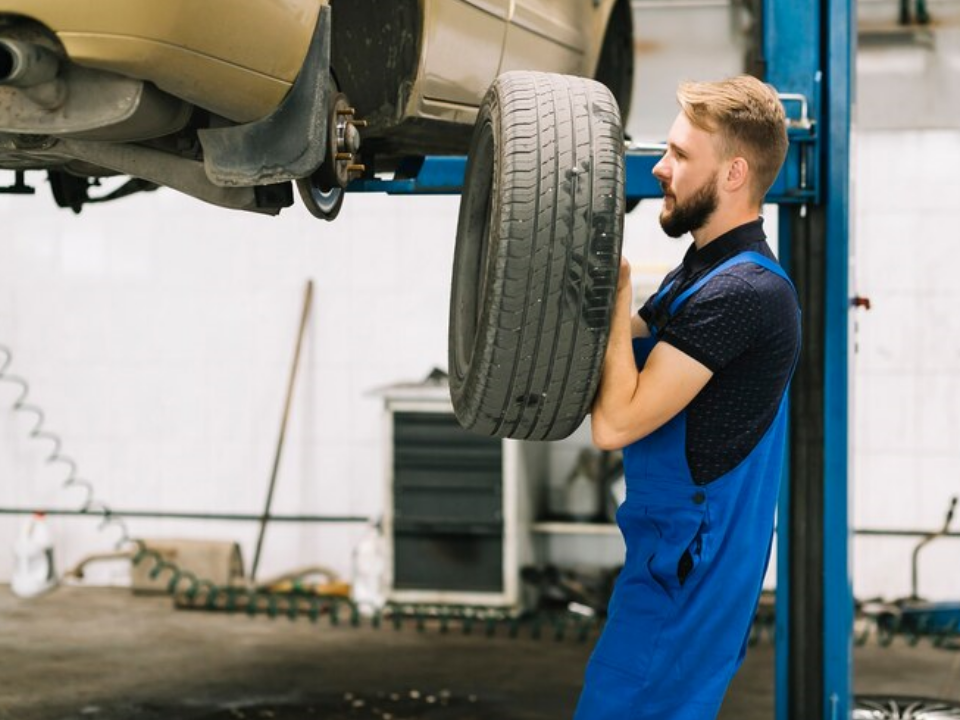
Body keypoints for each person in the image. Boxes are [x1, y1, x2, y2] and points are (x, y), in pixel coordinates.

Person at [574, 75, 800, 719]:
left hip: (689, 573)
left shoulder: (743, 294)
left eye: (678, 155)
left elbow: (616, 422)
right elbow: (631, 338)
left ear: (732, 174)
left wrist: (613, 288)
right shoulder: (702, 273)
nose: (660, 167)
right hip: (668, 554)